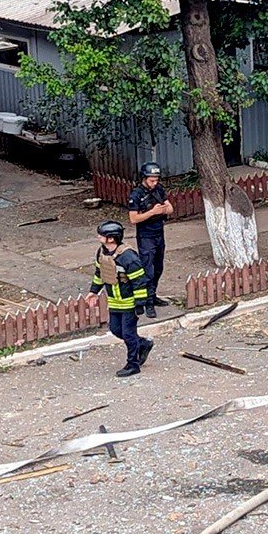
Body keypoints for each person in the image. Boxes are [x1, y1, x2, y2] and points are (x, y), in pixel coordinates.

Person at [89, 220, 154, 377]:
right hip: (114, 301)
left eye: (102, 235)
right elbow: (100, 274)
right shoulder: (102, 253)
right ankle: (143, 344)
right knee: (116, 329)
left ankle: (133, 364)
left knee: (128, 334)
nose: (99, 237)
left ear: (111, 238)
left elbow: (140, 282)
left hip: (129, 303)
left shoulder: (128, 258)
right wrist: (93, 291)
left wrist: (140, 305)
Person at [127, 162, 174, 318]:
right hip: (146, 235)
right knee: (148, 270)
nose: (155, 183)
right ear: (144, 178)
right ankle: (147, 303)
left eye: (156, 179)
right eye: (152, 180)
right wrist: (152, 212)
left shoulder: (159, 190)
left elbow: (170, 208)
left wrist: (163, 209)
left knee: (158, 267)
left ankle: (153, 296)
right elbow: (133, 219)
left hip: (159, 233)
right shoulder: (136, 195)